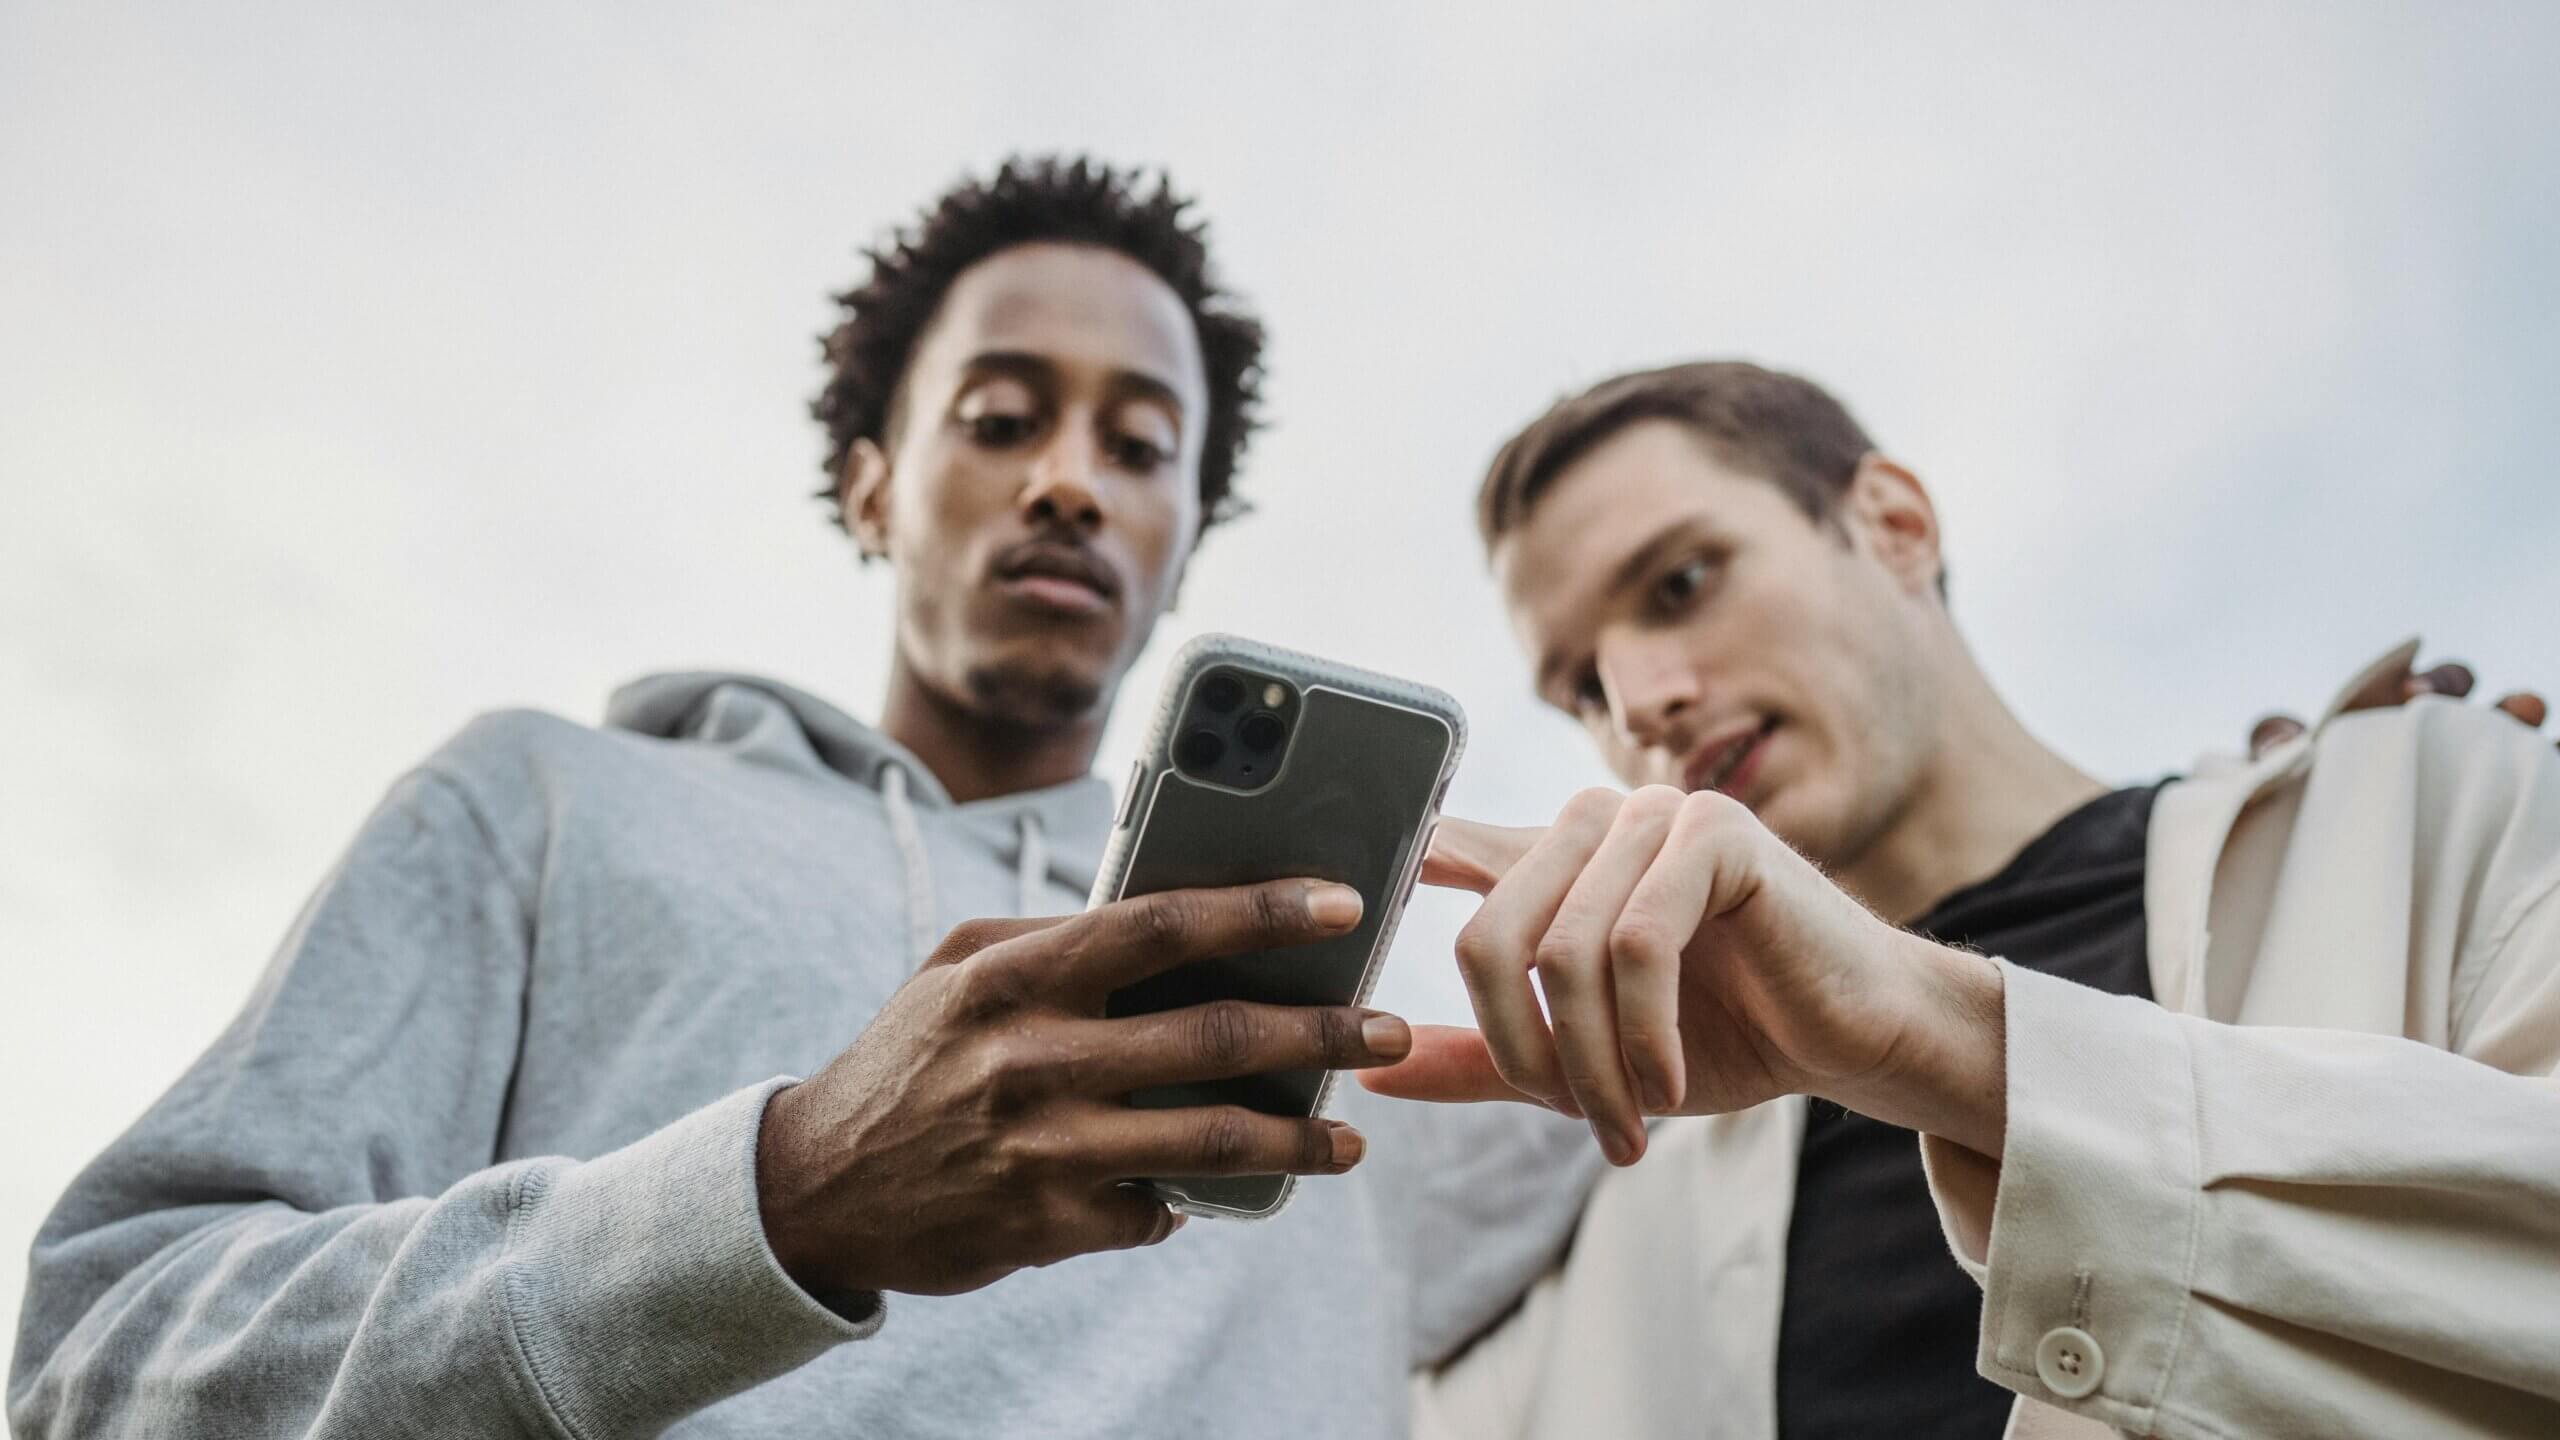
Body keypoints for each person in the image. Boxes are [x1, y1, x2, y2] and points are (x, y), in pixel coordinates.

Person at [9, 156, 1592, 1439]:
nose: (1069, 481)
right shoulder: (547, 804)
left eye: (1140, 446)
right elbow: (98, 1365)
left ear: (1184, 543)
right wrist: (777, 1201)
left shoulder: (1366, 1026)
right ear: (871, 483)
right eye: (999, 418)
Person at [1365, 360, 2560, 1438]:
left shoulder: (2422, 807)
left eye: (1680, 583)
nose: (1636, 705)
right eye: (1578, 685)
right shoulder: (1629, 1216)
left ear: (1890, 525)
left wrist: (1945, 1044)